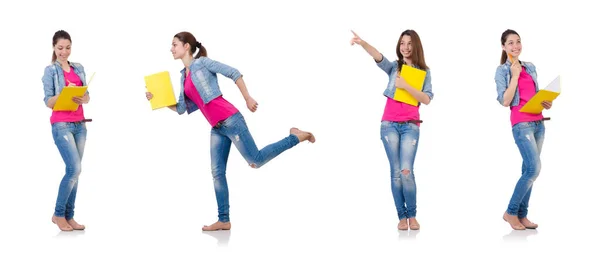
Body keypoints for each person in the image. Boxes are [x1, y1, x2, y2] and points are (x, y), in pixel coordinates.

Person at [146, 31, 315, 231]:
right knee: (217, 172)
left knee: (256, 160)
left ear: (187, 47)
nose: (171, 49)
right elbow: (182, 109)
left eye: (174, 44)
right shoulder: (183, 77)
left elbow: (234, 73)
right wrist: (159, 100)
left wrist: (248, 98)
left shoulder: (203, 63)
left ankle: (294, 137)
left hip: (230, 120)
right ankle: (224, 220)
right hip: (217, 128)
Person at [350, 30, 433, 230]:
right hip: (389, 125)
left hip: (411, 126)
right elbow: (378, 56)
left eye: (409, 43)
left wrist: (405, 85)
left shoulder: (424, 71)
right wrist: (363, 43)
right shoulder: (395, 67)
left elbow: (427, 99)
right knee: (396, 172)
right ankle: (401, 217)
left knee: (407, 171)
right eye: (402, 43)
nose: (405, 47)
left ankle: (412, 215)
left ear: (416, 46)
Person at [495, 29, 552, 230]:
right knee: (533, 169)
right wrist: (514, 75)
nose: (515, 46)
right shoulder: (502, 71)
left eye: (518, 42)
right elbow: (505, 101)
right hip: (521, 124)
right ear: (503, 46)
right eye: (510, 43)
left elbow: (533, 95)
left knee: (527, 170)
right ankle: (510, 212)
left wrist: (544, 102)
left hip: (538, 122)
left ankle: (522, 214)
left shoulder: (530, 67)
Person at [42, 30, 90, 231]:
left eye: (68, 47)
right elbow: (48, 101)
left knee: (75, 172)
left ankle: (69, 216)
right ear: (54, 47)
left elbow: (87, 96)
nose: (64, 52)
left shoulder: (78, 68)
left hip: (80, 124)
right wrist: (64, 95)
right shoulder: (50, 71)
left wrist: (81, 97)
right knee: (74, 169)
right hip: (61, 124)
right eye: (60, 48)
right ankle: (58, 214)